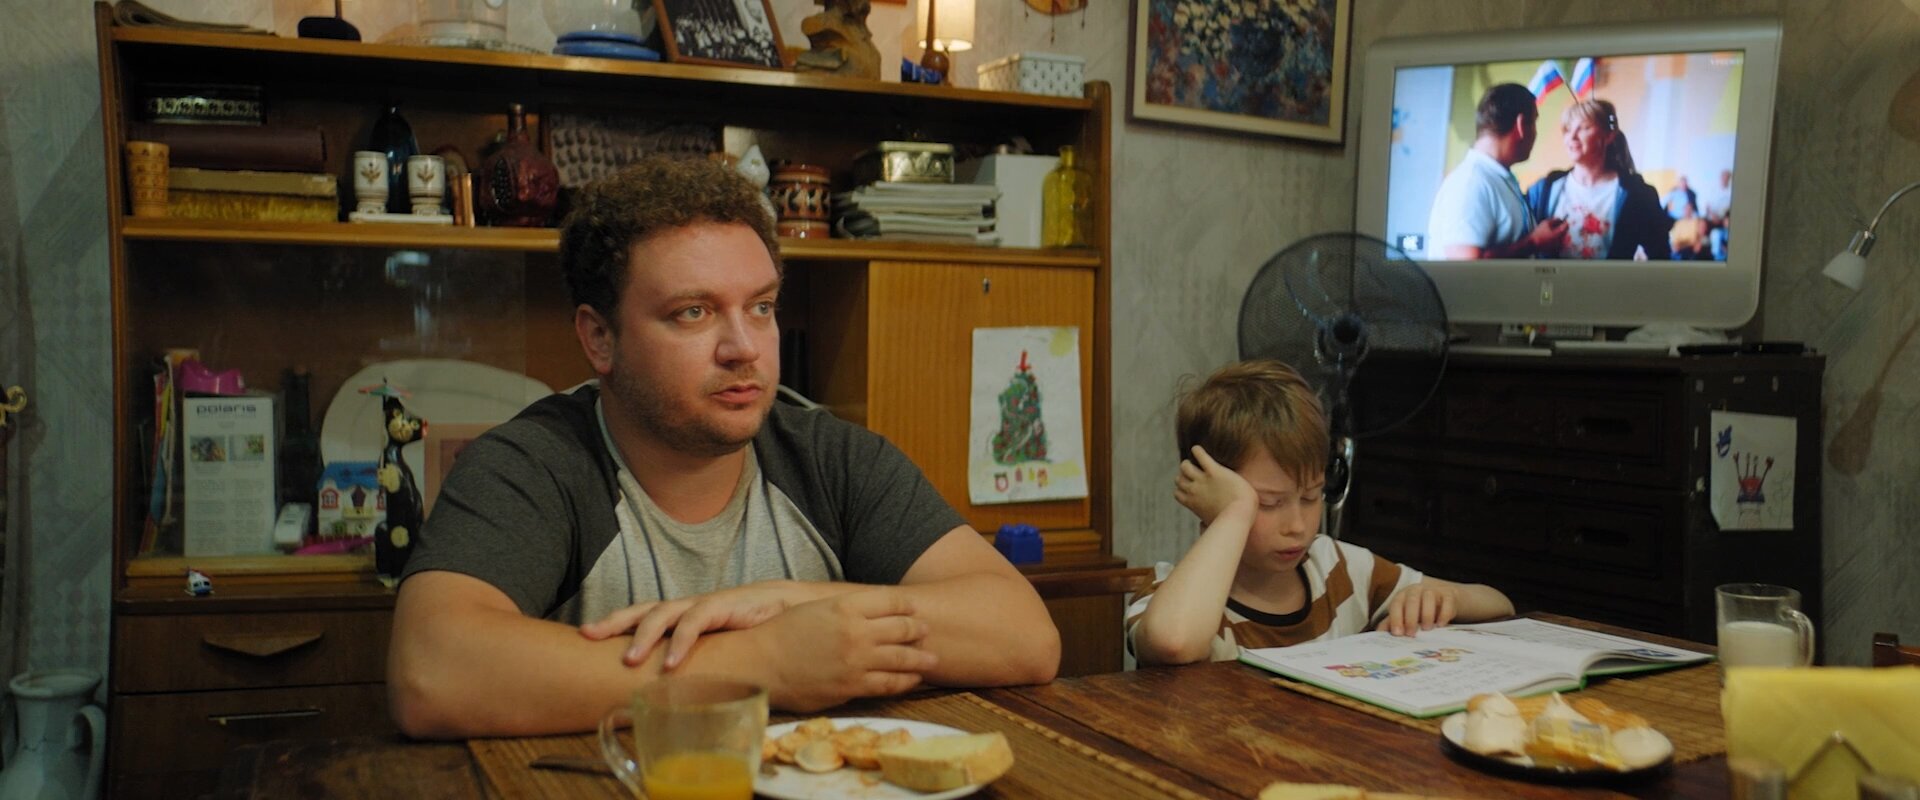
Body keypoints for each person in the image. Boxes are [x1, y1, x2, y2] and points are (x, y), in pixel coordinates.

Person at [387, 156, 1059, 738]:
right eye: (694, 312)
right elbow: (433, 671)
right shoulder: (534, 465)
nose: (744, 348)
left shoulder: (832, 459)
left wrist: (796, 604)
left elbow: (1025, 635)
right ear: (599, 339)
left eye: (761, 307)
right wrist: (764, 662)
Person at [1126, 361, 1514, 666]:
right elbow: (1173, 641)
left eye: (1311, 497)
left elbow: (1499, 604)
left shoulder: (1338, 569)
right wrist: (1235, 513)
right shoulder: (1171, 595)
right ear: (1205, 495)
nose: (1298, 526)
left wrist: (1446, 598)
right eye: (1267, 503)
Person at [1426, 83, 1569, 259]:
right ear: (1521, 125)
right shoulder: (1471, 182)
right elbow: (1465, 264)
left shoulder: (1496, 178)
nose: (1535, 132)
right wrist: (1534, 242)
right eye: (1534, 122)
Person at [1524, 99, 1673, 261]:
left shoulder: (1639, 194)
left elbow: (1660, 256)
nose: (1572, 137)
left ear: (1608, 136)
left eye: (1584, 128)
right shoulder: (1544, 190)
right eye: (1568, 129)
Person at [1700, 169, 1733, 261]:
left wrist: (1721, 217)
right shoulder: (1714, 191)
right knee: (1702, 222)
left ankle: (1719, 254)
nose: (1724, 179)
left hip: (1724, 218)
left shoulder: (1731, 192)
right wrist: (1712, 215)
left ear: (1729, 178)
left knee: (1724, 224)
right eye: (1722, 177)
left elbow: (1729, 209)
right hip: (1712, 217)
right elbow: (1707, 206)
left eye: (1726, 177)